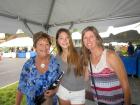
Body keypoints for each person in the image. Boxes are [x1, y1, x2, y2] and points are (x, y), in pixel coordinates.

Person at [81, 26, 131, 105]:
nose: (88, 40)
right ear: (83, 41)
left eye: (91, 36)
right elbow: (84, 78)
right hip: (99, 102)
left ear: (97, 38)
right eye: (85, 38)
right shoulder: (87, 59)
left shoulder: (110, 56)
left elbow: (125, 85)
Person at [15, 32, 62, 105]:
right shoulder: (28, 64)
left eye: (47, 44)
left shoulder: (56, 62)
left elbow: (61, 79)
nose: (44, 47)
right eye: (40, 44)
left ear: (50, 46)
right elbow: (21, 87)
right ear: (35, 47)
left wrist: (55, 90)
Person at [55, 28, 87, 105]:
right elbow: (59, 76)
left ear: (70, 39)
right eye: (61, 38)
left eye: (67, 38)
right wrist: (55, 88)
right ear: (57, 41)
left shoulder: (80, 51)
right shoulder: (57, 57)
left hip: (79, 92)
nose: (64, 40)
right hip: (63, 91)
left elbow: (87, 68)